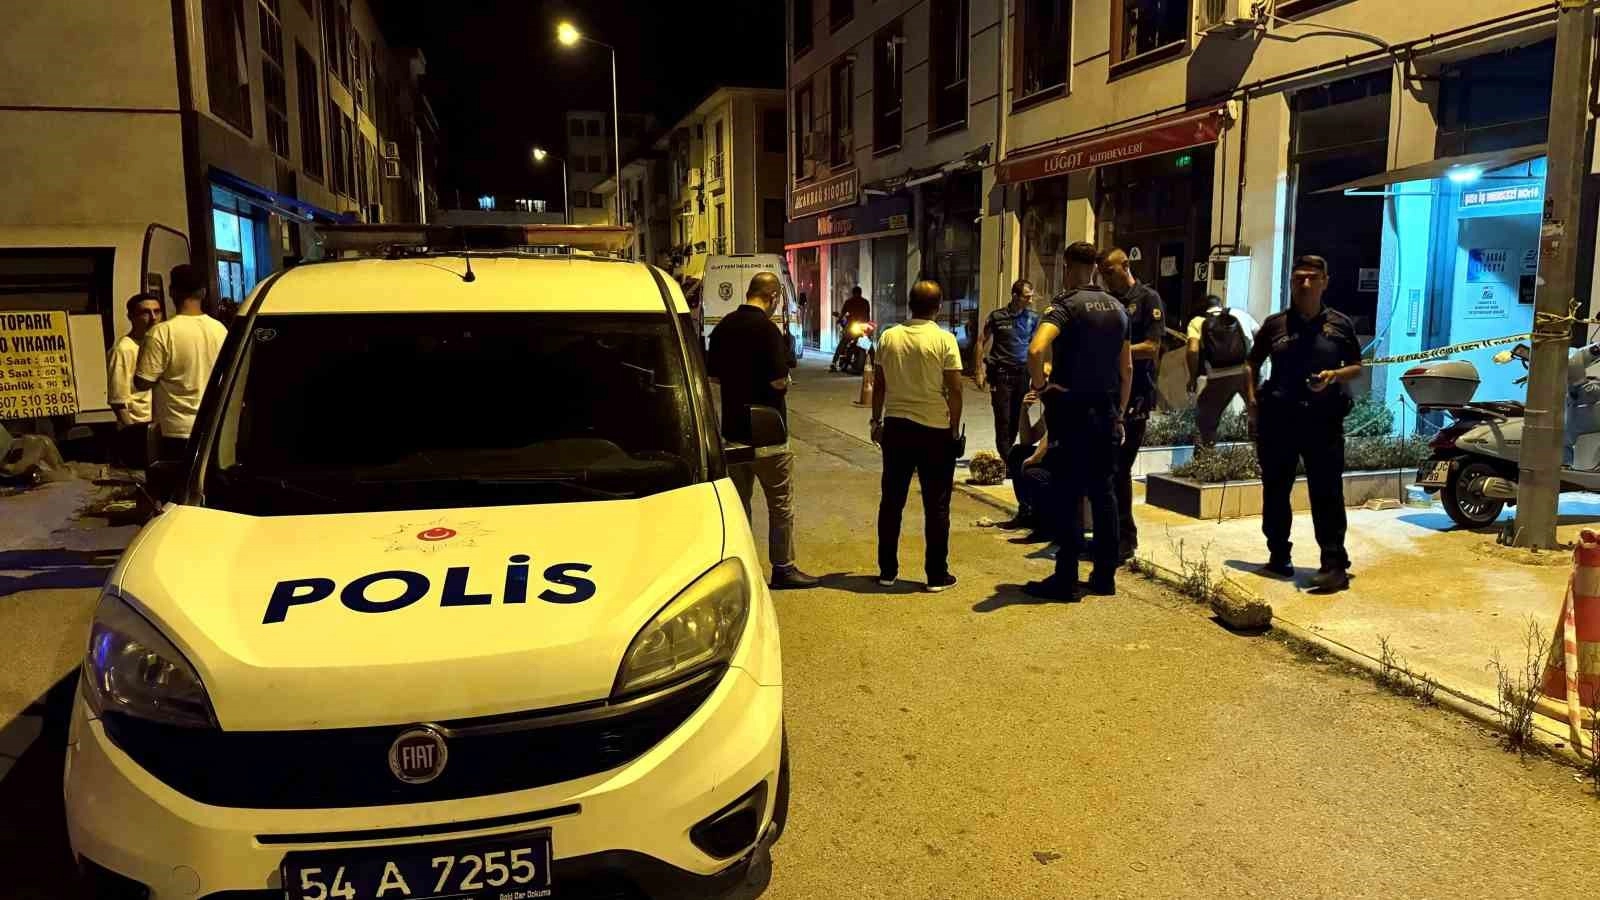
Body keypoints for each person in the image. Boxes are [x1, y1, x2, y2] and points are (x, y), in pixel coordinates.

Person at [1245, 255, 1364, 593]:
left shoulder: (1340, 324)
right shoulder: (1275, 325)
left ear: (1325, 281)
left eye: (1312, 278)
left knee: (1326, 493)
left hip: (1323, 421)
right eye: (1299, 278)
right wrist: (1252, 403)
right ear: (1291, 282)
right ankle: (1278, 556)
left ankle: (1334, 565)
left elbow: (1357, 366)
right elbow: (1251, 364)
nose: (1305, 284)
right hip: (1279, 419)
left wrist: (1333, 376)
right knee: (1275, 490)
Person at [1024, 242, 1132, 601]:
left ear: (1067, 266)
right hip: (1107, 412)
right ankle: (1104, 577)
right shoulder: (1118, 308)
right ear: (1096, 269)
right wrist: (1119, 413)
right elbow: (1127, 369)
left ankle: (1066, 579)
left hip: (1072, 412)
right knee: (1104, 494)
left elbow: (1036, 350)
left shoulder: (1065, 305)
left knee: (1069, 493)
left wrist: (1041, 388)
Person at [707, 272, 819, 590]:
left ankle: (742, 568)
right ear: (772, 297)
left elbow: (713, 376)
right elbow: (779, 381)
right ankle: (783, 568)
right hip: (769, 435)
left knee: (739, 506)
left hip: (733, 433)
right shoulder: (768, 330)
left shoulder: (724, 327)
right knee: (779, 504)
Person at [871, 280, 963, 593]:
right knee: (936, 504)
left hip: (896, 427)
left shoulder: (889, 337)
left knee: (891, 501)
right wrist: (954, 428)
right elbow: (955, 389)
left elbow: (879, 384)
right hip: (934, 430)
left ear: (910, 304)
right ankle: (936, 575)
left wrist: (875, 420)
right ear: (939, 306)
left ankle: (887, 571)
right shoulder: (944, 339)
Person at [1097, 249, 1165, 562]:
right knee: (1106, 469)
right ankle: (1109, 534)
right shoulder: (1108, 301)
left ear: (1125, 266)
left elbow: (1151, 347)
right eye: (1102, 273)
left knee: (1119, 468)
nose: (1105, 278)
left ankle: (1125, 538)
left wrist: (1115, 351)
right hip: (1109, 392)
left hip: (1136, 395)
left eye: (1109, 271)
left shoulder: (1148, 299)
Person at [134, 264, 229, 463]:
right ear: (203, 292)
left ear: (171, 292)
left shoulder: (161, 333)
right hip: (214, 427)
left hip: (176, 430)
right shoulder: (220, 330)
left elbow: (142, 382)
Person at [975, 279, 1040, 459]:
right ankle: (1007, 459)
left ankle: (1007, 456)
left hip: (1022, 374)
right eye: (1026, 297)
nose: (1030, 300)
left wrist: (1038, 376)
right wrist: (979, 370)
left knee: (1016, 418)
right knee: (1003, 418)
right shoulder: (997, 317)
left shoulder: (1033, 318)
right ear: (1015, 296)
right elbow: (981, 341)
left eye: (1031, 296)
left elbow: (1036, 347)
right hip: (1001, 374)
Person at [1187, 295, 1261, 447]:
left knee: (1205, 420)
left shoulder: (1198, 321)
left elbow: (1193, 350)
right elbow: (1261, 338)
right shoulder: (1240, 314)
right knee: (1259, 416)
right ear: (1221, 305)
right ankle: (1260, 453)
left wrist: (1192, 377)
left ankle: (1206, 455)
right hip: (1247, 374)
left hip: (1218, 377)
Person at [106, 293, 164, 468]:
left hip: (157, 427)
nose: (153, 317)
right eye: (145, 312)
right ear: (131, 317)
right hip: (139, 428)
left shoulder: (156, 345)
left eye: (157, 311)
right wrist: (133, 436)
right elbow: (117, 401)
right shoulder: (123, 349)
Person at [1001, 390, 1052, 540]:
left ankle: (1045, 525)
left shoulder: (1062, 397)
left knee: (1032, 470)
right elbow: (1028, 439)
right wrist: (1025, 410)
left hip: (1066, 456)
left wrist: (1032, 459)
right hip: (1052, 450)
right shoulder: (1042, 399)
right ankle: (1026, 511)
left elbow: (1051, 436)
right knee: (1017, 452)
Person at [830, 285, 872, 371]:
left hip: (856, 327)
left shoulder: (850, 302)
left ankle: (834, 362)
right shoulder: (864, 302)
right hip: (859, 327)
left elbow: (843, 314)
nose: (856, 295)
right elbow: (867, 317)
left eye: (857, 294)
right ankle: (834, 362)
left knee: (844, 343)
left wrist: (839, 320)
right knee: (844, 342)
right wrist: (839, 319)